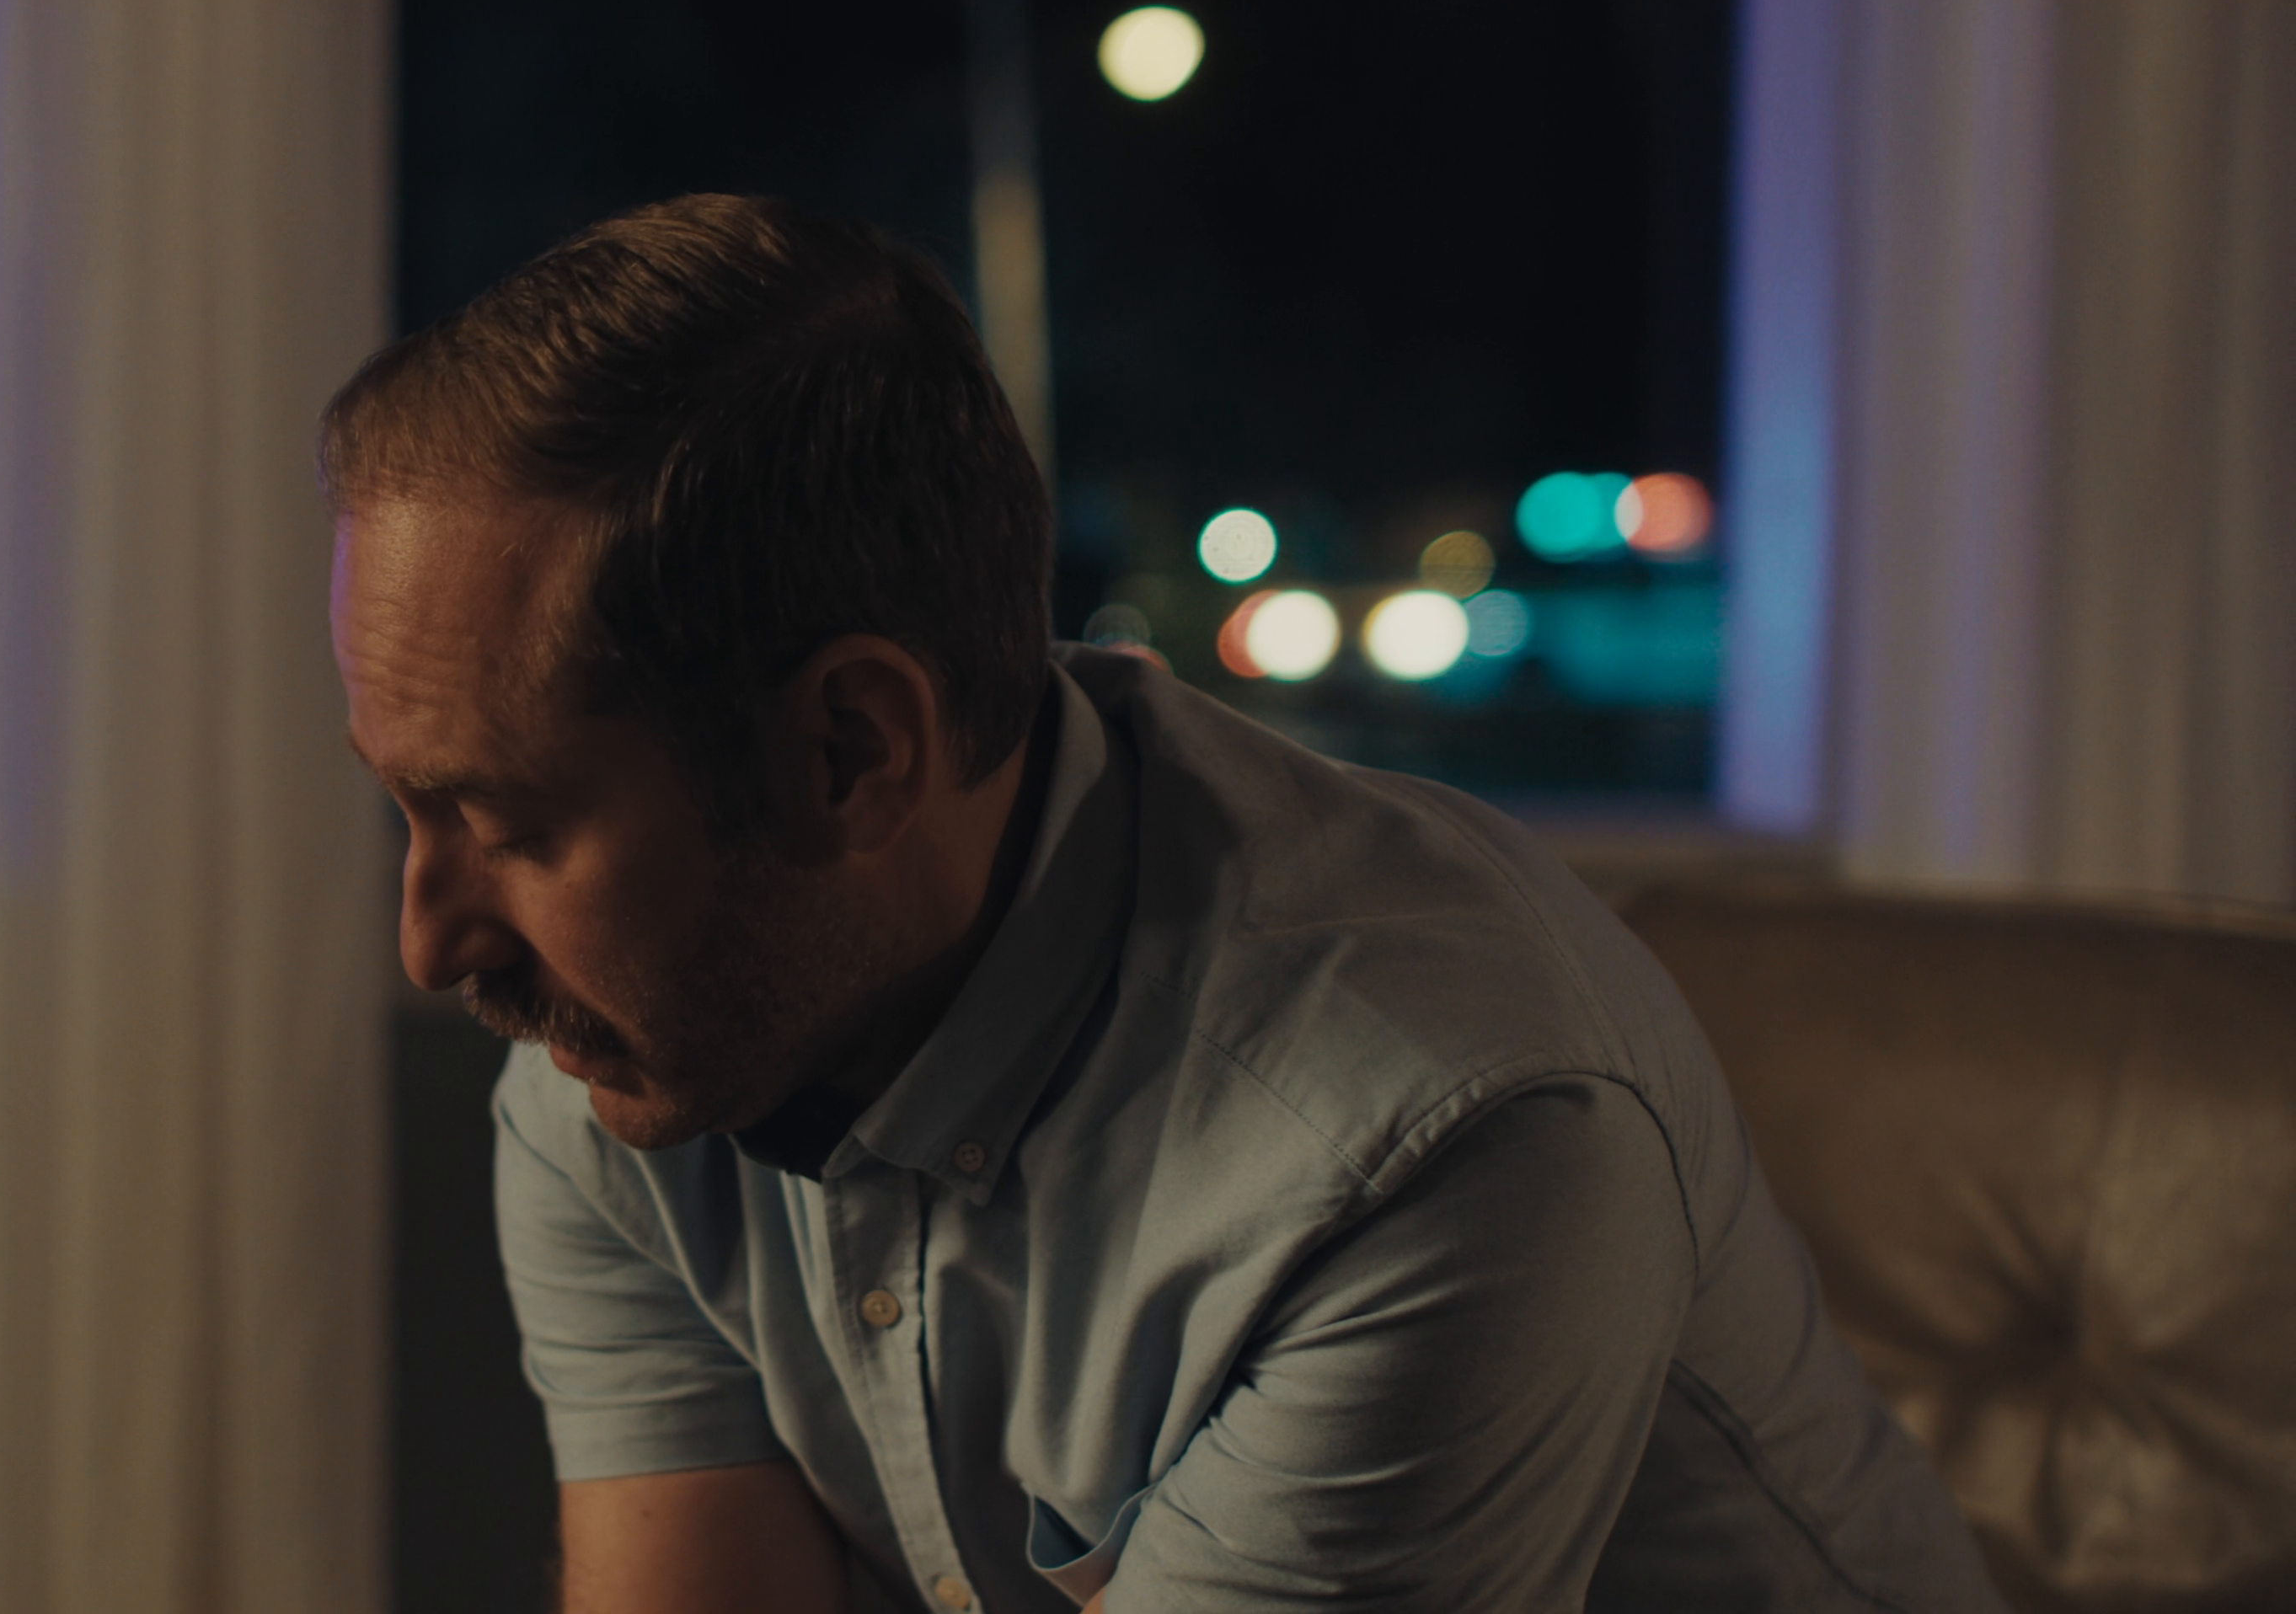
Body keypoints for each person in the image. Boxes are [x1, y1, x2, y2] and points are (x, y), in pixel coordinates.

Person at [324, 194, 2004, 1613]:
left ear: (853, 751)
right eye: (407, 807)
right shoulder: (624, 1067)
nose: (433, 940)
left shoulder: (1439, 1144)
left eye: (509, 824)